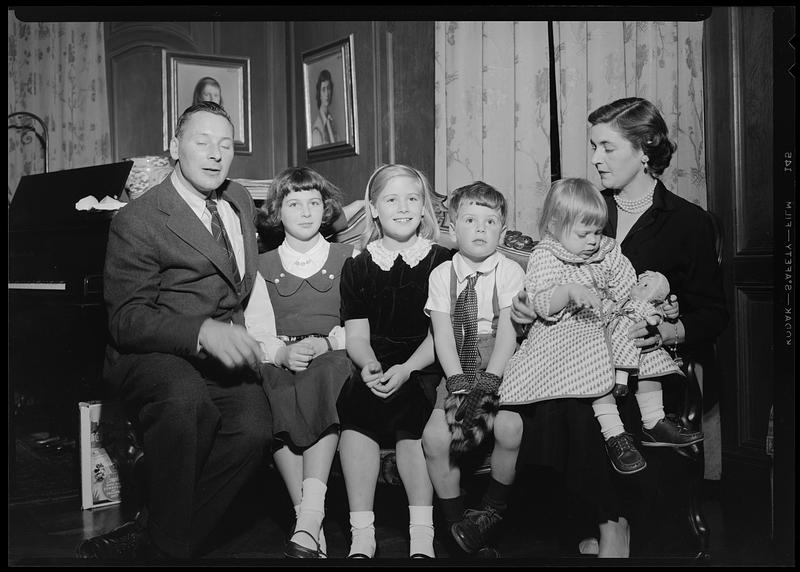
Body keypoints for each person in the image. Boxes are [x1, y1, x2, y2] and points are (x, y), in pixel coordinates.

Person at [509, 97, 728, 556]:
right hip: (573, 350)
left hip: (643, 362)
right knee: (563, 395)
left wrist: (666, 332)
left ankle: (612, 524)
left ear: (645, 149)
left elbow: (713, 312)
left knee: (585, 401)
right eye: (593, 146)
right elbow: (547, 272)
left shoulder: (688, 222)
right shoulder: (586, 207)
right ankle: (602, 519)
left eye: (606, 147)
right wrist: (524, 309)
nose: (595, 158)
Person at [75, 101, 272, 560]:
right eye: (201, 142)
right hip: (153, 355)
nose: (214, 154)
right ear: (174, 148)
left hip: (221, 356)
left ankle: (156, 536)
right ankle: (168, 554)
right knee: (185, 399)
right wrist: (202, 333)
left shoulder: (240, 198)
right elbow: (127, 319)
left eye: (225, 144)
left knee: (253, 430)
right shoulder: (138, 219)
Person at [336, 164, 452, 559]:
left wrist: (407, 369)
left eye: (412, 199)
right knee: (355, 415)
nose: (402, 208)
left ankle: (421, 531)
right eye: (391, 199)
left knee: (411, 420)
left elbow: (442, 335)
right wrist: (368, 364)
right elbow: (356, 335)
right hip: (376, 359)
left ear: (424, 209)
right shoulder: (358, 266)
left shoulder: (442, 260)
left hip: (424, 359)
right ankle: (361, 532)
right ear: (372, 209)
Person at [245, 166, 358, 559]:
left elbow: (360, 324)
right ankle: (308, 524)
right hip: (283, 356)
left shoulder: (348, 257)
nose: (306, 212)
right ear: (278, 211)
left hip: (333, 354)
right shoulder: (262, 266)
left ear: (326, 209)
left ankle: (310, 516)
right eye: (294, 203)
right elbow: (256, 329)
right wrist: (280, 353)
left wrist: (327, 342)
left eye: (314, 203)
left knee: (321, 381)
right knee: (270, 389)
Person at [420, 181, 523, 553]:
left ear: (503, 230)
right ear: (452, 227)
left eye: (490, 221)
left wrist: (490, 381)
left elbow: (510, 333)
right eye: (470, 220)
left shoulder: (509, 271)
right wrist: (459, 382)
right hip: (457, 362)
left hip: (501, 358)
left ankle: (492, 512)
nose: (480, 229)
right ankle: (457, 526)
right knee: (434, 438)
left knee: (510, 426)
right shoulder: (441, 275)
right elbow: (442, 336)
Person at [311, 69, 337, 146]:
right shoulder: (317, 130)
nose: (327, 94)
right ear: (319, 94)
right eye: (323, 89)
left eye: (328, 88)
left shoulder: (331, 121)